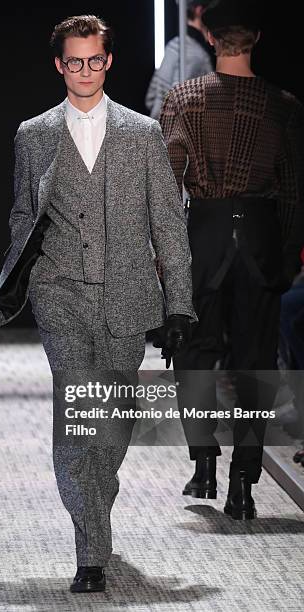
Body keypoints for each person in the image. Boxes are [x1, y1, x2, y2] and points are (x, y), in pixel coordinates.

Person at [0, 15, 195, 593]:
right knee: (80, 415)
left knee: (114, 424)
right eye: (73, 61)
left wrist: (179, 304)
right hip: (60, 296)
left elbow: (169, 225)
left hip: (129, 295)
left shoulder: (142, 134)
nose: (84, 71)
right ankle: (90, 550)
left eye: (94, 60)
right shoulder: (33, 135)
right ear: (59, 65)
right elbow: (22, 217)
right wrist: (23, 276)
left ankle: (95, 503)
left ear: (108, 62)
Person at [160, 0, 304, 520]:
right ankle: (243, 483)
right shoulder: (283, 105)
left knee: (195, 356)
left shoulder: (184, 98)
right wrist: (286, 254)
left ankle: (203, 463)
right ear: (257, 39)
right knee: (254, 364)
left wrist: (165, 254)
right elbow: (292, 194)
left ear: (212, 39)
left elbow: (166, 184)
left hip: (204, 238)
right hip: (262, 240)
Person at [145, 0, 214, 120]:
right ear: (199, 10)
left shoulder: (173, 45)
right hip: (176, 134)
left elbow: (151, 98)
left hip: (160, 130)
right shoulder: (195, 55)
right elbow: (178, 105)